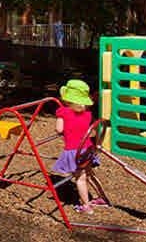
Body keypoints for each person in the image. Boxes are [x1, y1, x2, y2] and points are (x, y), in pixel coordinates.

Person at [51, 79, 108, 214]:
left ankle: (86, 206)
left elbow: (59, 129)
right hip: (88, 148)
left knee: (80, 179)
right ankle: (102, 198)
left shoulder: (63, 112)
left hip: (74, 150)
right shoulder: (87, 114)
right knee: (90, 174)